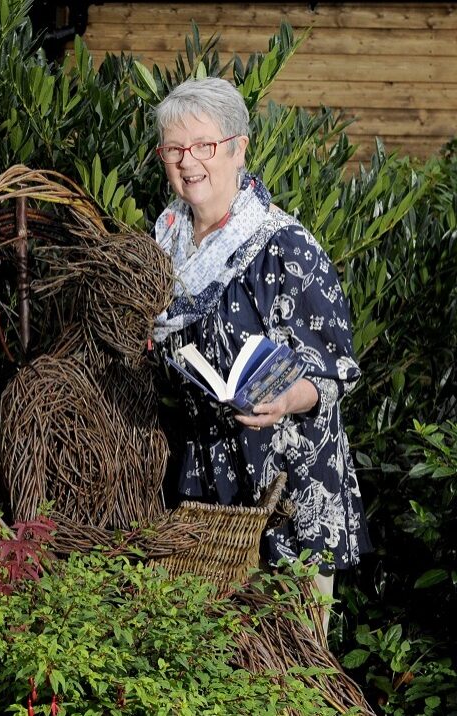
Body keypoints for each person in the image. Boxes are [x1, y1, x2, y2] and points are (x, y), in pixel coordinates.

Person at [149, 78, 371, 622]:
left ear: (239, 147)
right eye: (175, 149)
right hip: (208, 482)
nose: (189, 162)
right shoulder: (164, 240)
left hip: (287, 486)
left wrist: (286, 397)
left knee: (290, 670)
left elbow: (338, 369)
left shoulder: (285, 246)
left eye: (204, 146)